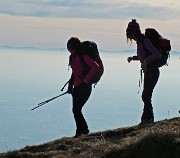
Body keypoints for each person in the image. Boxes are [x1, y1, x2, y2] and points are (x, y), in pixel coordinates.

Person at [126, 19, 162, 125]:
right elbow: (144, 56)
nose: (129, 37)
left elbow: (157, 54)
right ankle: (146, 119)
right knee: (146, 95)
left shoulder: (145, 41)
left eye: (129, 34)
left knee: (146, 95)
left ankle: (148, 119)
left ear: (133, 33)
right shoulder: (140, 42)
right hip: (149, 72)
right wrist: (133, 58)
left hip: (152, 72)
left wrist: (145, 62)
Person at [67, 37, 100, 137]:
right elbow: (74, 73)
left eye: (70, 48)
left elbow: (96, 67)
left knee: (76, 110)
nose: (69, 50)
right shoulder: (73, 58)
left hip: (85, 87)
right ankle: (81, 131)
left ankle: (83, 130)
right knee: (76, 110)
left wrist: (86, 80)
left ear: (75, 47)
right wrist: (70, 85)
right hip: (77, 87)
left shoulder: (84, 57)